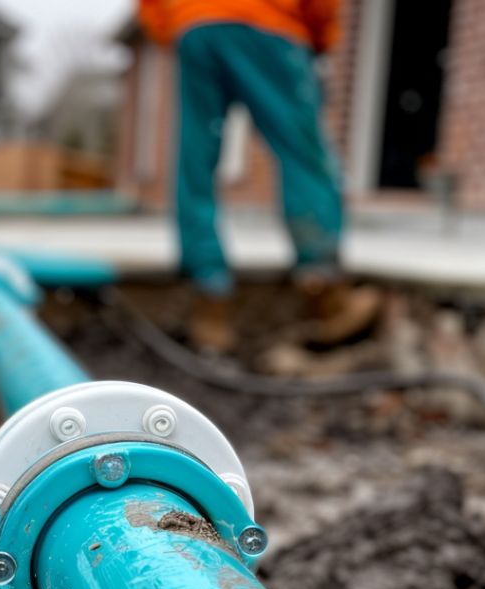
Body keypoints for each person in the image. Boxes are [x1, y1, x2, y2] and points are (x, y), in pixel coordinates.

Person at [139, 0, 380, 352]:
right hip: (271, 23)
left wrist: (175, 25)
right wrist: (321, 35)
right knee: (302, 156)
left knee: (196, 159)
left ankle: (210, 298)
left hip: (195, 24)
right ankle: (325, 293)